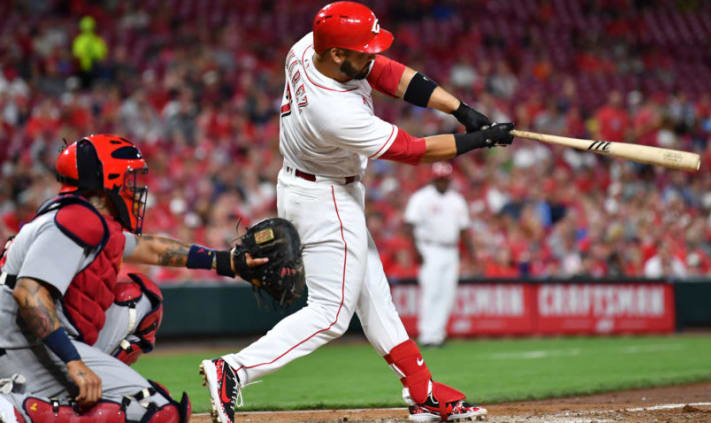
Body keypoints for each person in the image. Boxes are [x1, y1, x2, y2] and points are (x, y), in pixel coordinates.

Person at [199, 2, 514, 422]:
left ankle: (422, 391)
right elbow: (412, 150)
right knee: (330, 314)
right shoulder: (333, 111)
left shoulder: (309, 45)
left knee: (375, 298)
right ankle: (234, 370)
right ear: (336, 55)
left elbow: (386, 73)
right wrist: (480, 140)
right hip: (326, 196)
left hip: (311, 184)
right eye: (362, 50)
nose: (371, 56)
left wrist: (458, 110)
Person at [0, 134, 267, 423]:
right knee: (157, 413)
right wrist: (74, 363)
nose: (134, 188)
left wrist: (224, 260)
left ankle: (69, 391)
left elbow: (151, 248)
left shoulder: (84, 217)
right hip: (19, 347)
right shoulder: (74, 221)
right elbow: (28, 294)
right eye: (128, 178)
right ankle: (20, 408)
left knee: (141, 301)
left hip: (36, 338)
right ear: (106, 184)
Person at [404, 162, 474, 348]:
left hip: (451, 250)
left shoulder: (456, 199)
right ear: (433, 179)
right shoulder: (421, 197)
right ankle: (427, 335)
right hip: (429, 248)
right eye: (439, 179)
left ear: (449, 180)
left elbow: (464, 229)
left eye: (445, 179)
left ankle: (438, 334)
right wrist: (416, 250)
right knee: (431, 292)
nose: (442, 183)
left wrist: (472, 254)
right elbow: (409, 225)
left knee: (447, 294)